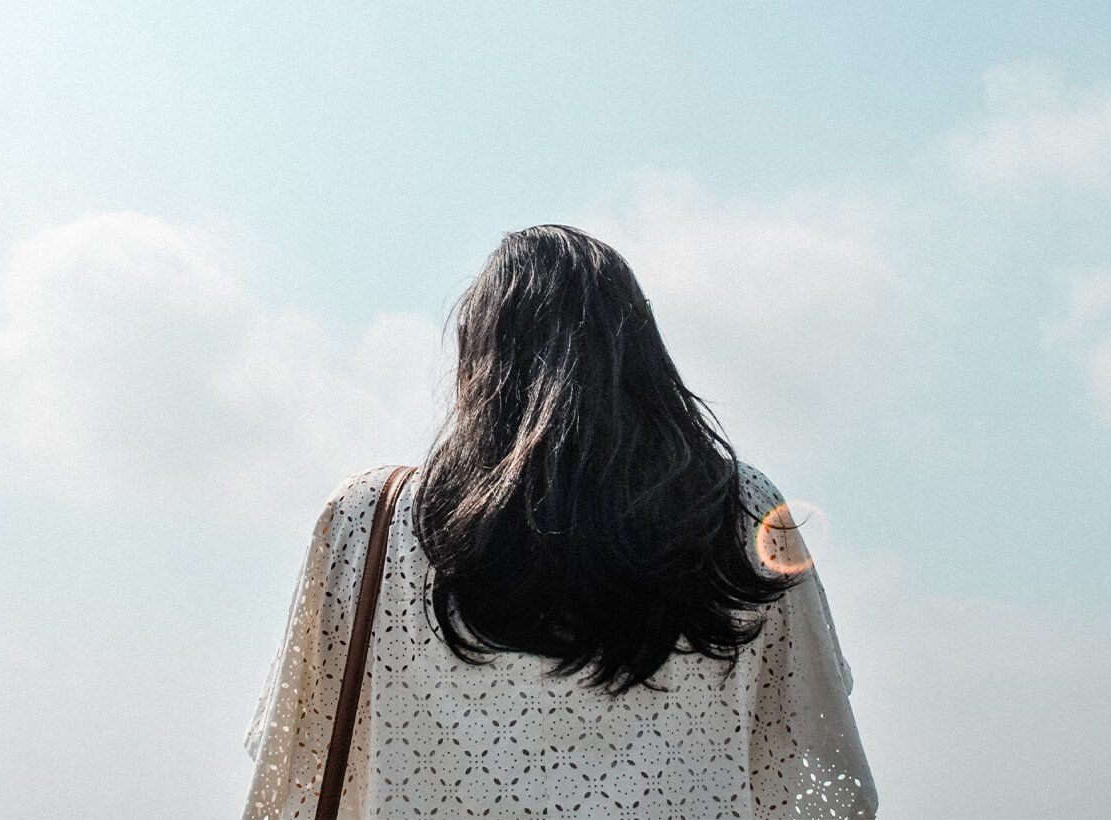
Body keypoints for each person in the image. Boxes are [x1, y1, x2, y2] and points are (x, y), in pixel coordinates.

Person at [244, 225, 877, 818]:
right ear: (643, 356)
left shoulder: (368, 519)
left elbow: (292, 772)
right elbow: (820, 771)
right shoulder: (740, 509)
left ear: (479, 359)